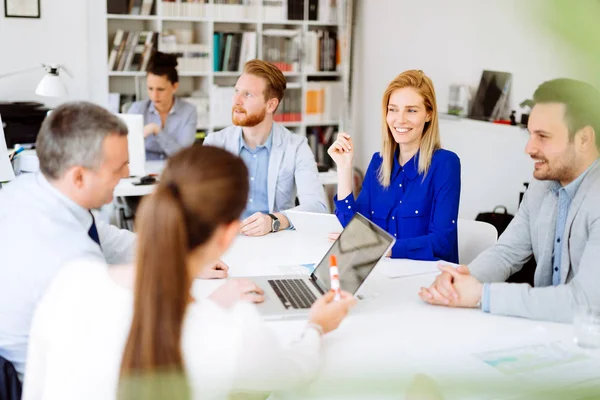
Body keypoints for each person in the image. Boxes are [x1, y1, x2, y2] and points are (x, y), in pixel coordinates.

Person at [23, 145, 357, 400]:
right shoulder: (235, 331)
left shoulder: (70, 282)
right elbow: (292, 373)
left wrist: (212, 304)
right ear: (228, 234)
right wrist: (316, 325)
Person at [0, 102, 224, 377]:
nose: (127, 174)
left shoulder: (30, 188)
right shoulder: (71, 255)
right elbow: (132, 338)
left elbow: (108, 239)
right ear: (79, 176)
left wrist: (180, 257)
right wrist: (216, 310)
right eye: (119, 166)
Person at [419, 78, 600, 323]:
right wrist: (461, 279)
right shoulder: (542, 187)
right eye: (530, 134)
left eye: (543, 136)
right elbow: (506, 253)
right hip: (553, 334)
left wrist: (482, 295)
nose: (529, 148)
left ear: (584, 139)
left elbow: (586, 302)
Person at [328, 70, 461, 262]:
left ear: (429, 114)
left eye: (411, 110)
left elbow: (442, 242)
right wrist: (344, 167)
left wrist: (384, 248)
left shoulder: (445, 164)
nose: (400, 119)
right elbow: (357, 231)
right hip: (382, 275)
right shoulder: (378, 163)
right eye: (393, 109)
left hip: (426, 279)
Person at [203, 59, 327, 237]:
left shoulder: (296, 146)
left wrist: (274, 220)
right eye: (237, 91)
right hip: (226, 242)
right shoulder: (215, 143)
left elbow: (318, 207)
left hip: (276, 240)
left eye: (248, 95)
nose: (237, 100)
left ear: (271, 105)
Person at [128, 52, 197, 160]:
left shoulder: (188, 111)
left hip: (174, 168)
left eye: (160, 89)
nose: (154, 95)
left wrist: (156, 130)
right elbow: (128, 147)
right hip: (144, 169)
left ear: (174, 86)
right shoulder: (137, 109)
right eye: (150, 89)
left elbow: (183, 154)